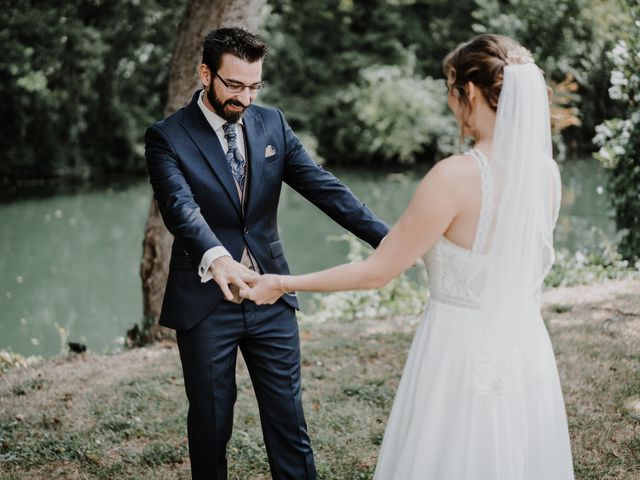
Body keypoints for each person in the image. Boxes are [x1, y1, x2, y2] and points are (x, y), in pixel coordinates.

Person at [242, 34, 575, 479]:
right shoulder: (546, 173)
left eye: (450, 86)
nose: (449, 99)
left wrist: (281, 283)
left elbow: (377, 273)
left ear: (470, 92)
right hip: (524, 346)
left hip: (457, 348)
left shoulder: (455, 175)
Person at [145, 27, 388, 480]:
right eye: (234, 85)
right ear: (206, 74)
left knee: (288, 422)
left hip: (271, 294)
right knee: (211, 426)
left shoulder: (272, 123)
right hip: (205, 303)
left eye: (254, 86)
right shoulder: (167, 137)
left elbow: (323, 187)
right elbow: (179, 207)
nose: (245, 97)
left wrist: (387, 239)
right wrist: (217, 257)